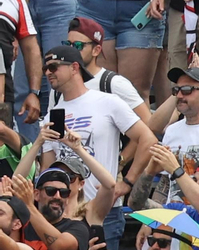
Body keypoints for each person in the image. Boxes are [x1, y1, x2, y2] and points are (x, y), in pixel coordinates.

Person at [41, 44, 155, 201]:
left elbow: (148, 139)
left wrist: (127, 183)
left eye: (53, 67)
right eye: (45, 69)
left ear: (74, 68)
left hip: (104, 206)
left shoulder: (108, 102)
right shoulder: (51, 116)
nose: (48, 72)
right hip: (66, 208)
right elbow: (47, 167)